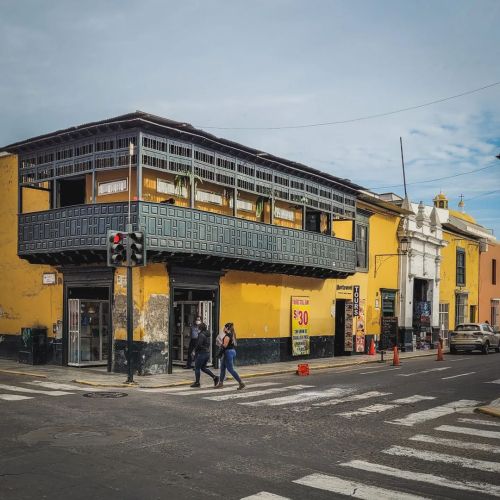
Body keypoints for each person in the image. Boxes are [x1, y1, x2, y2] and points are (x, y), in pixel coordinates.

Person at [215, 322, 245, 390]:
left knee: (230, 369)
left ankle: (241, 382)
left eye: (224, 327)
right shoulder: (232, 334)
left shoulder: (227, 336)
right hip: (231, 351)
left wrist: (219, 343)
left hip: (228, 353)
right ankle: (220, 383)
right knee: (222, 368)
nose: (223, 329)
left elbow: (225, 345)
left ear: (227, 328)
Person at [190, 323, 219, 388]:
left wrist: (194, 351)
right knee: (203, 368)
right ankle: (215, 377)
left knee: (197, 368)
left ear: (200, 328)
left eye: (198, 327)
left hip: (202, 353)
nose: (197, 328)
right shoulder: (206, 334)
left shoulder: (201, 335)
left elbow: (199, 344)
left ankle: (197, 382)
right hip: (206, 353)